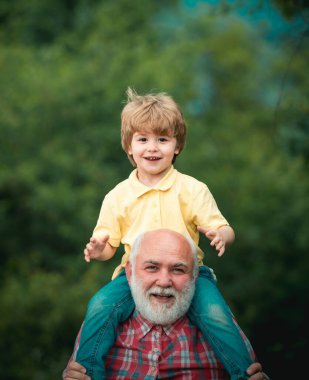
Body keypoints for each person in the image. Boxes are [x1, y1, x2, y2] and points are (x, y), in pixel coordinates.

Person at [75, 88, 253, 379]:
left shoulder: (192, 189)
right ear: (129, 147)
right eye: (143, 140)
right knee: (99, 305)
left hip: (188, 274)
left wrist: (223, 236)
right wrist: (99, 250)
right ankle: (87, 372)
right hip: (134, 275)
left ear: (177, 146)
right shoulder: (118, 196)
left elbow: (224, 227)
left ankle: (245, 373)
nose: (152, 148)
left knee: (216, 315)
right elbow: (109, 244)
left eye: (162, 139)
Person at [64, 230, 269, 380]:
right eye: (152, 268)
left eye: (178, 270)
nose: (164, 281)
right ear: (129, 272)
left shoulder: (219, 324)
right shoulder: (103, 320)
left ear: (195, 275)